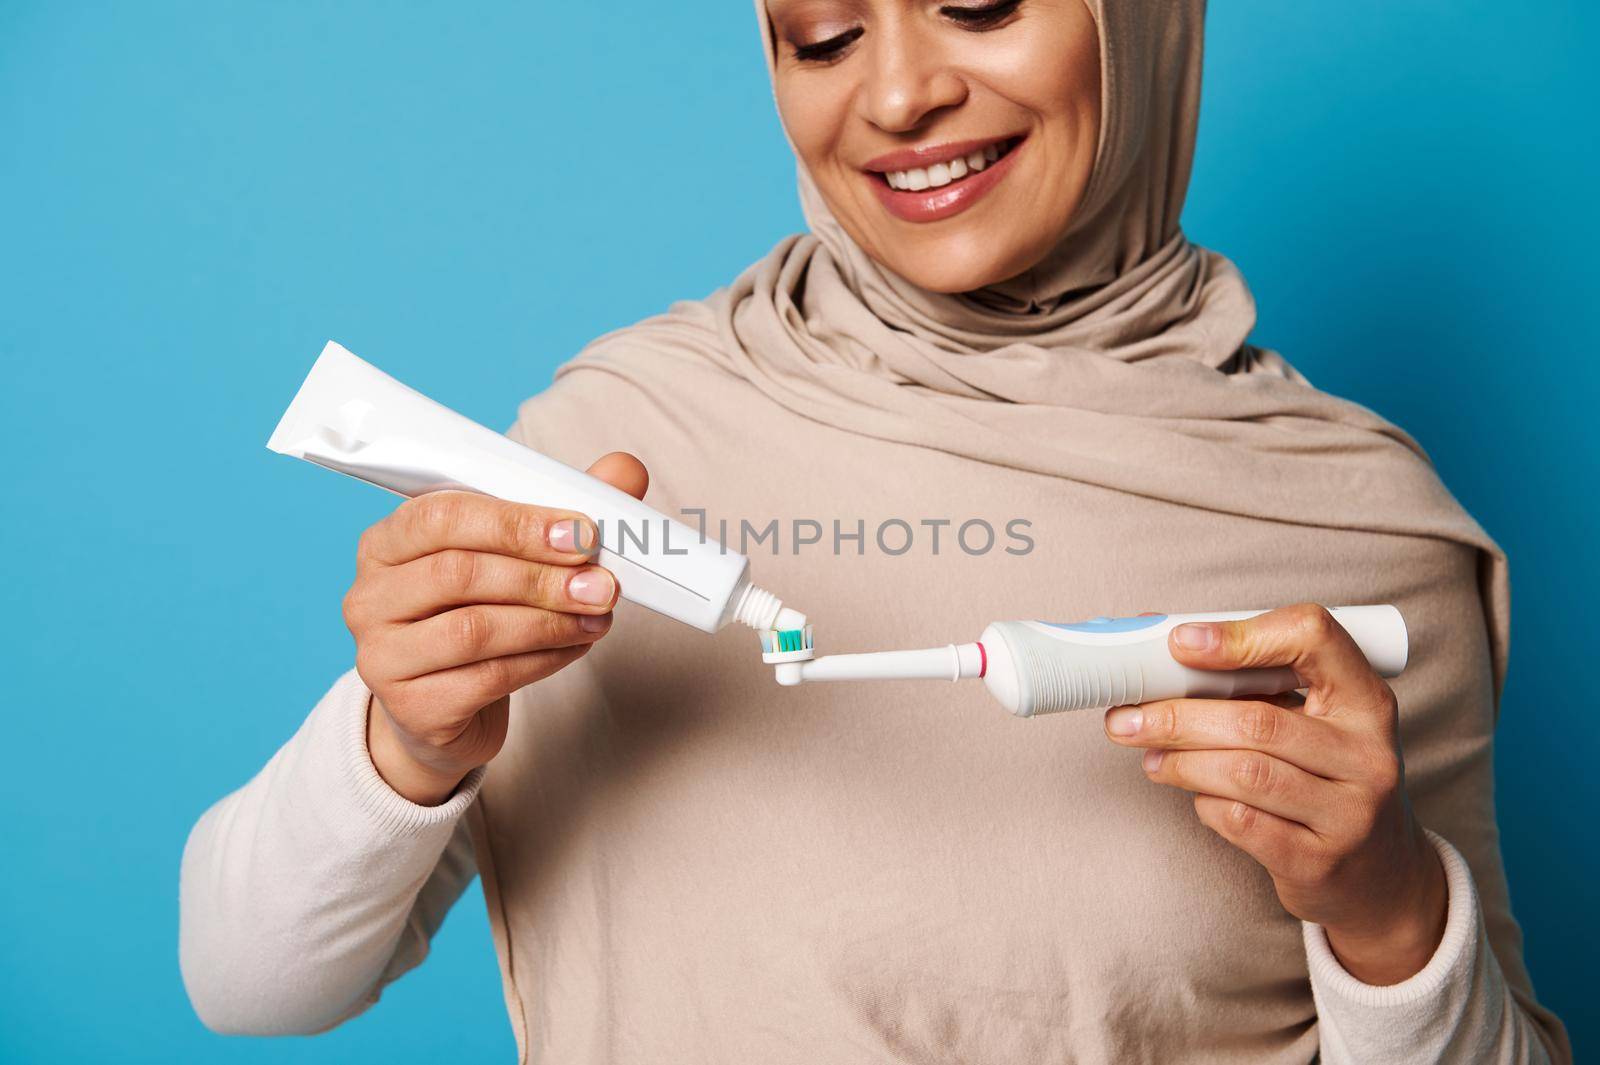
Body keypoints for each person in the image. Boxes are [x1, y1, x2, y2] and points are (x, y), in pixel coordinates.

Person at [179, 1, 1571, 1061]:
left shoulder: (1359, 532)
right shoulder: (625, 441)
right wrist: (403, 741)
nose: (899, 92)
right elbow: (249, 982)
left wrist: (1391, 917)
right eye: (825, 36)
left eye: (981, 6)